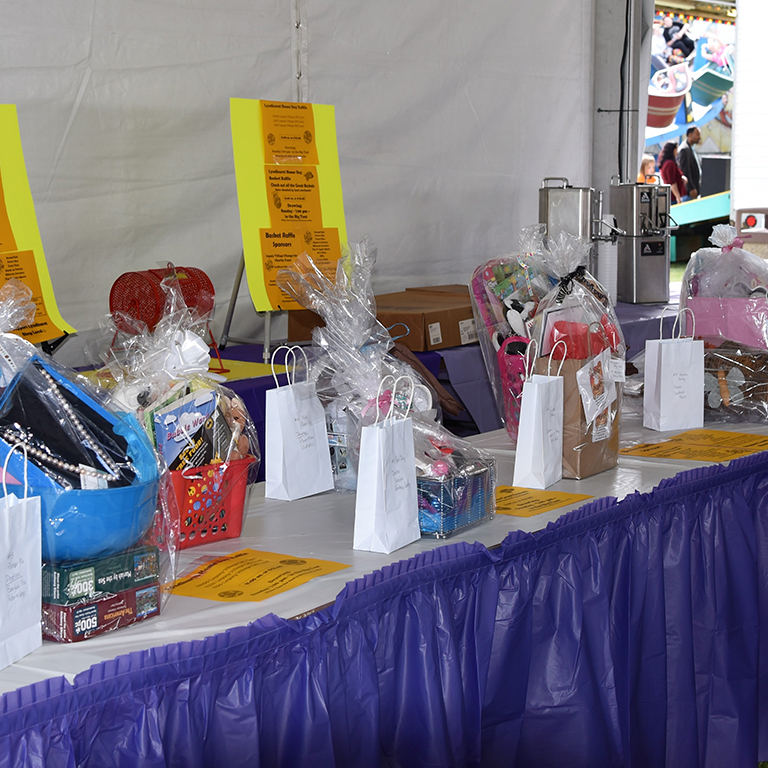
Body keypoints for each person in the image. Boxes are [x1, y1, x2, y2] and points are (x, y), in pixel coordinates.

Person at [677, 126, 701, 200]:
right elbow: (685, 170)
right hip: (688, 193)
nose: (699, 137)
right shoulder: (684, 149)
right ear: (690, 135)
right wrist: (691, 188)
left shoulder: (690, 148)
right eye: (697, 134)